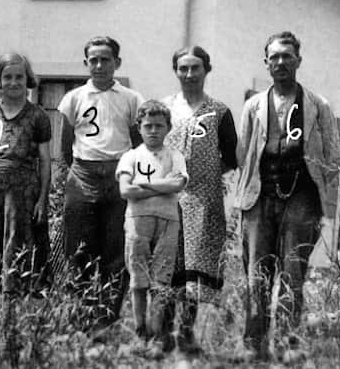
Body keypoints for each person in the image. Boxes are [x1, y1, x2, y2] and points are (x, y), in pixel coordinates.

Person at [235, 32, 340, 359]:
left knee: (293, 273)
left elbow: (334, 157)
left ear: (299, 61)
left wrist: (325, 201)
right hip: (260, 197)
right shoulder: (253, 105)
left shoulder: (318, 105)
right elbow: (243, 154)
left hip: (302, 198)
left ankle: (286, 343)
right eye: (275, 57)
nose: (281, 62)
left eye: (287, 56)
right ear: (266, 62)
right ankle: (253, 345)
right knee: (257, 274)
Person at [59, 35, 143, 324]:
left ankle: (107, 318)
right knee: (79, 250)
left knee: (116, 252)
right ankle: (80, 315)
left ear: (117, 62)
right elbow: (65, 147)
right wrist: (84, 172)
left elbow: (138, 144)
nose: (98, 65)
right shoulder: (73, 98)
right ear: (85, 63)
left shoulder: (131, 99)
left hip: (117, 178)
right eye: (93, 60)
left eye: (105, 59)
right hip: (82, 175)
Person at [161, 46, 237, 353]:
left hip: (203, 201)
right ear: (176, 71)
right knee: (167, 266)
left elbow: (232, 156)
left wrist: (204, 175)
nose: (189, 74)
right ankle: (162, 333)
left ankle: (187, 332)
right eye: (183, 68)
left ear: (207, 70)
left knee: (194, 268)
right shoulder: (163, 108)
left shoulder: (219, 111)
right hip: (166, 197)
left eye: (195, 68)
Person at [0, 53, 52, 292]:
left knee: (18, 248)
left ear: (28, 79)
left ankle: (15, 308)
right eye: (7, 77)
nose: (14, 82)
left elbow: (45, 161)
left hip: (22, 194)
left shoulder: (38, 115)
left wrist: (43, 200)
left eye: (19, 77)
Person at [117, 100, 187, 351]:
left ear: (168, 127)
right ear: (140, 127)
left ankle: (157, 335)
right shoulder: (131, 156)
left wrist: (144, 185)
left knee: (161, 280)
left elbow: (177, 185)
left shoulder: (175, 155)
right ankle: (140, 332)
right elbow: (126, 190)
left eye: (159, 126)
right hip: (137, 221)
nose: (153, 131)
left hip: (168, 221)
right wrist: (160, 184)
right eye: (148, 126)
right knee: (138, 279)